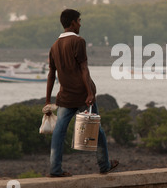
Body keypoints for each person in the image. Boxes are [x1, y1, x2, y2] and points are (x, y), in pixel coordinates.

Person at [45, 9, 118, 177]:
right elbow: (84, 69)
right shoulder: (78, 41)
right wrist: (90, 93)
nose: (80, 24)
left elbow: (51, 75)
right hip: (82, 95)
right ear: (72, 23)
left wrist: (48, 100)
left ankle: (55, 169)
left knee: (59, 131)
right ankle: (104, 165)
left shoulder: (54, 46)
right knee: (97, 129)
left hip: (64, 97)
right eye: (79, 20)